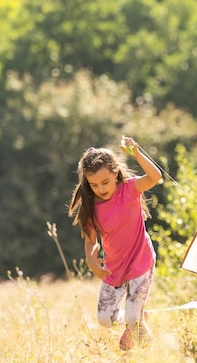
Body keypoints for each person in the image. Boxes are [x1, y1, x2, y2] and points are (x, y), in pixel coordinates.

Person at [68, 137, 162, 350]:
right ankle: (138, 318)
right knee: (105, 319)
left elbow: (155, 177)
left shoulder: (129, 189)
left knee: (132, 319)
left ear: (115, 174)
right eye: (93, 185)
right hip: (114, 268)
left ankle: (148, 349)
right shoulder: (91, 207)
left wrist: (137, 153)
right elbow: (91, 241)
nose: (100, 189)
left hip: (140, 262)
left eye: (105, 182)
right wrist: (91, 260)